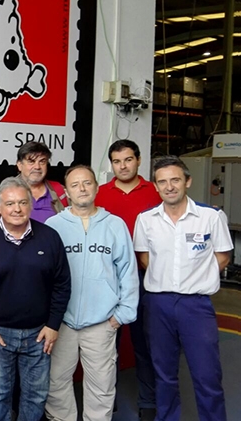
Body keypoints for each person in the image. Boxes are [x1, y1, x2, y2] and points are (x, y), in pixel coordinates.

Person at [134, 156, 233, 421]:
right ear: (156, 186)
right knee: (163, 374)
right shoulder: (146, 219)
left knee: (207, 375)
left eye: (175, 180)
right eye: (162, 182)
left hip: (196, 306)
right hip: (158, 304)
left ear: (187, 181)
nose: (169, 187)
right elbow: (144, 258)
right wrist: (167, 278)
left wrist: (196, 277)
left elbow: (223, 256)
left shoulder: (211, 217)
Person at [0, 176, 71, 421]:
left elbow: (62, 284)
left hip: (39, 334)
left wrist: (53, 325)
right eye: (10, 203)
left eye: (23, 202)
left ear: (30, 205)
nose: (17, 209)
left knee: (36, 395)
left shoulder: (50, 237)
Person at [45, 165, 139, 421]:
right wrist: (48, 317)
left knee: (102, 386)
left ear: (96, 187)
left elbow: (128, 271)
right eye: (75, 185)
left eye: (87, 183)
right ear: (67, 192)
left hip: (102, 323)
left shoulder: (115, 225)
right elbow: (43, 274)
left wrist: (121, 315)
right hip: (61, 323)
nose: (82, 189)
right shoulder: (53, 226)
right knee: (55, 382)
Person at [94, 139, 160, 421]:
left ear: (139, 160)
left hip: (146, 276)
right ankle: (106, 401)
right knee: (107, 344)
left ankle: (148, 402)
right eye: (117, 161)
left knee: (144, 343)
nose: (122, 166)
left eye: (128, 160)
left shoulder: (155, 192)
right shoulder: (100, 194)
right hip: (108, 278)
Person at [0, 141, 68, 224]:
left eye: (42, 161)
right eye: (31, 161)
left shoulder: (61, 191)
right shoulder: (2, 193)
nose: (37, 167)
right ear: (19, 165)